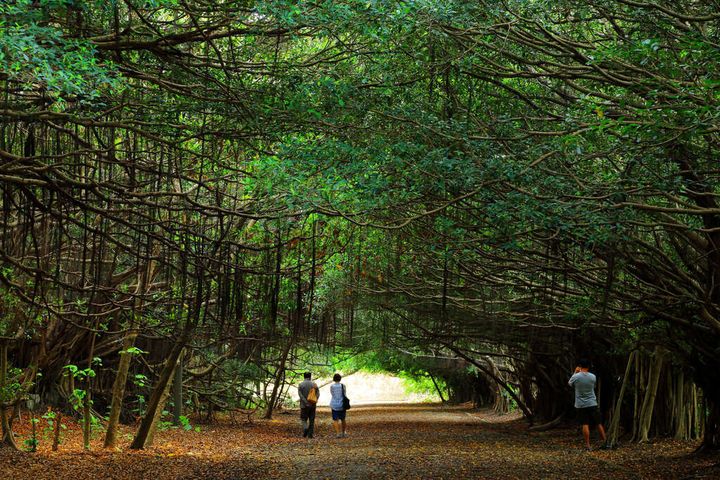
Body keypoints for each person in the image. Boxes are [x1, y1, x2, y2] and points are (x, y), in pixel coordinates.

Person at [568, 358, 607, 451]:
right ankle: (605, 442)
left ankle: (588, 445)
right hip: (592, 403)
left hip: (581, 404)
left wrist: (575, 372)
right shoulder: (593, 377)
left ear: (580, 366)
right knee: (598, 423)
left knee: (585, 424)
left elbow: (570, 384)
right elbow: (593, 387)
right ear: (588, 367)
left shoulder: (576, 377)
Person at [298, 372, 319, 438]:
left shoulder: (301, 384)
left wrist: (306, 402)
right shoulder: (314, 384)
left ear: (304, 377)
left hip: (304, 405)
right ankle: (310, 435)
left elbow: (300, 395)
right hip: (313, 405)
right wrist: (314, 401)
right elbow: (318, 394)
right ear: (310, 377)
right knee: (311, 419)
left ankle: (305, 428)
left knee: (303, 419)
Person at [329, 373, 348, 438]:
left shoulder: (332, 386)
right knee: (343, 419)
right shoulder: (343, 386)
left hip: (334, 404)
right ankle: (344, 432)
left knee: (335, 420)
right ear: (340, 379)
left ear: (334, 379)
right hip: (342, 404)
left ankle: (337, 433)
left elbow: (332, 394)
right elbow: (345, 394)